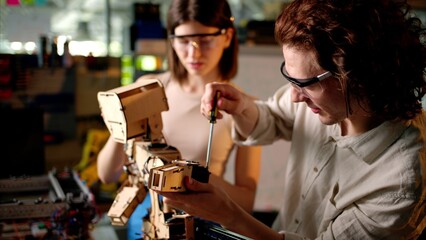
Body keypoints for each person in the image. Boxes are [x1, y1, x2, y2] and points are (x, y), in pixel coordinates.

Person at [158, 0, 426, 239]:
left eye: (304, 83)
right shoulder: (325, 99)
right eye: (290, 78)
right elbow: (273, 118)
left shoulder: (398, 185)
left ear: (358, 79)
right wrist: (241, 106)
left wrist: (229, 215)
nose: (295, 97)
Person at [97, 0, 262, 239]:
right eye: (183, 41)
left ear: (227, 37)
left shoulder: (246, 109)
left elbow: (246, 202)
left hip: (197, 226)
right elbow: (107, 174)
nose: (193, 52)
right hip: (144, 222)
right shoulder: (147, 89)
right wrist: (121, 119)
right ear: (171, 40)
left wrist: (191, 174)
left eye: (205, 40)